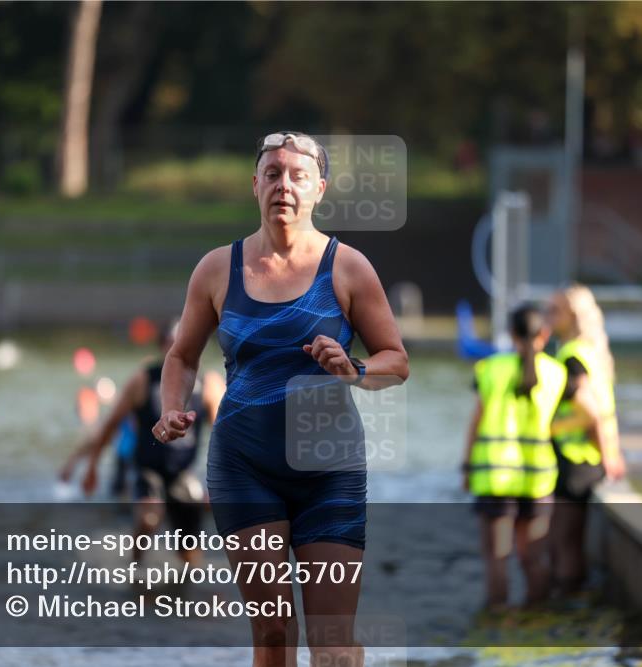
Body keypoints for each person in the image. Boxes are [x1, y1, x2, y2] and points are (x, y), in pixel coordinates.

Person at [151, 131, 409, 667]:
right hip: (245, 468)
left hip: (329, 470)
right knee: (272, 634)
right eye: (272, 174)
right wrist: (172, 408)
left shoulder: (348, 268)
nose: (283, 185)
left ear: (319, 188)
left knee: (333, 641)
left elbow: (396, 362)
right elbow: (181, 357)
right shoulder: (218, 269)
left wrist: (354, 367)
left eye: (297, 176)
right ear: (255, 186)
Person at [461, 304, 603, 609]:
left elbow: (475, 422)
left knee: (498, 561)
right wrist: (557, 427)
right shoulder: (557, 373)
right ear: (544, 334)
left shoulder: (490, 369)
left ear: (511, 334)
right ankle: (536, 624)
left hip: (494, 478)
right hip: (537, 480)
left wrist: (466, 467)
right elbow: (592, 414)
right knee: (533, 558)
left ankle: (496, 629)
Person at [60, 319, 224, 566]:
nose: (178, 350)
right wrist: (91, 466)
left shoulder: (208, 386)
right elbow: (109, 425)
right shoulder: (143, 380)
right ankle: (134, 567)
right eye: (171, 345)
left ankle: (188, 588)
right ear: (162, 347)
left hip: (181, 472)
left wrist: (220, 482)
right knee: (150, 516)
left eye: (185, 344)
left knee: (190, 553)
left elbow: (223, 435)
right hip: (147, 468)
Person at [546, 284, 626, 593]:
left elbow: (592, 412)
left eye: (554, 311)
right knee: (572, 542)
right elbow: (607, 410)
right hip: (590, 457)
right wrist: (612, 453)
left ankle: (565, 608)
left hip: (574, 460)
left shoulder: (571, 358)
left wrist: (550, 429)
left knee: (563, 542)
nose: (547, 317)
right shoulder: (591, 351)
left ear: (573, 316)